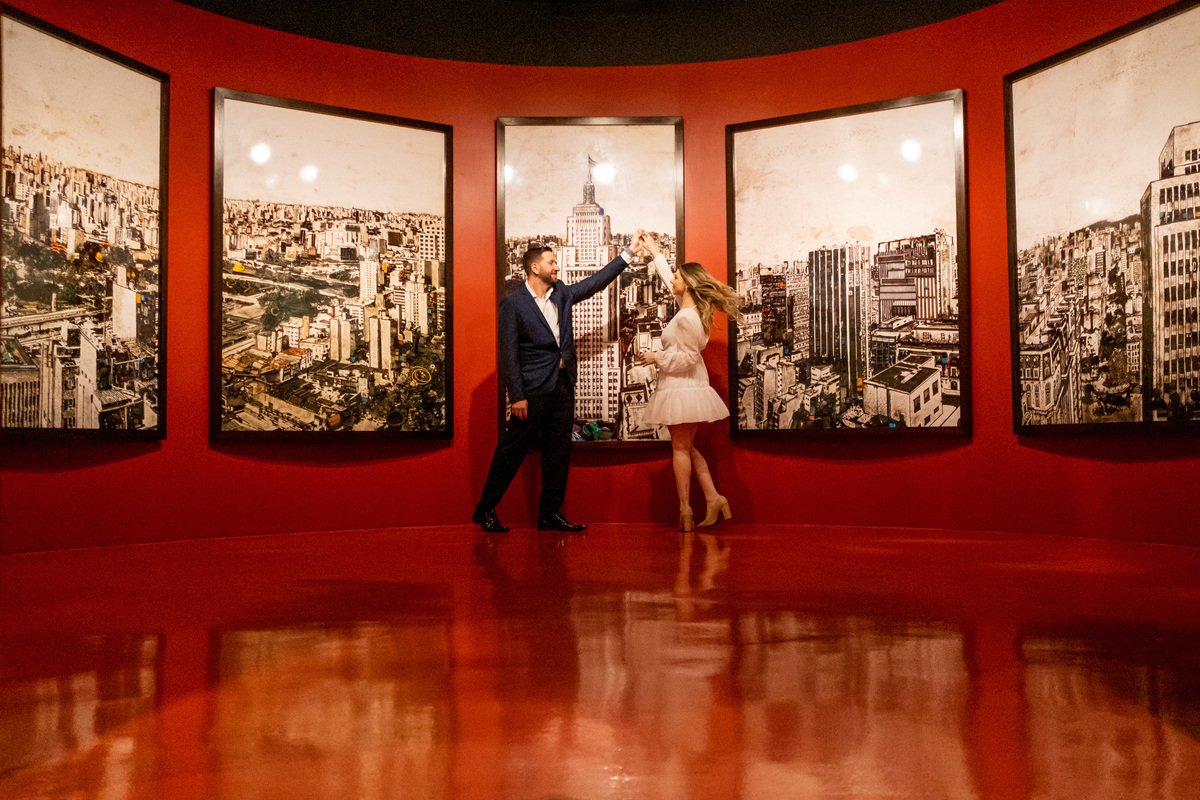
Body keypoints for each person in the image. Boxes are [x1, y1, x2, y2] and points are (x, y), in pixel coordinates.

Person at [473, 236, 645, 534]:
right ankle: (485, 509)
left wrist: (628, 253)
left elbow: (595, 283)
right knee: (511, 452)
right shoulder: (513, 304)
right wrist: (517, 396)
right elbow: (508, 353)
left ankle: (549, 514)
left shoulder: (562, 294)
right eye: (552, 262)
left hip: (563, 386)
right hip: (531, 391)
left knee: (558, 454)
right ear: (534, 267)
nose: (557, 266)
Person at [638, 234, 741, 532]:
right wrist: (655, 252)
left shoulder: (685, 319)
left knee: (680, 449)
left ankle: (685, 510)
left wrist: (655, 357)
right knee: (687, 446)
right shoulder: (690, 310)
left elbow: (684, 358)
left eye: (679, 278)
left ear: (689, 286)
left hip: (681, 386)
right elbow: (669, 277)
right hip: (688, 386)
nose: (674, 281)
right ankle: (714, 498)